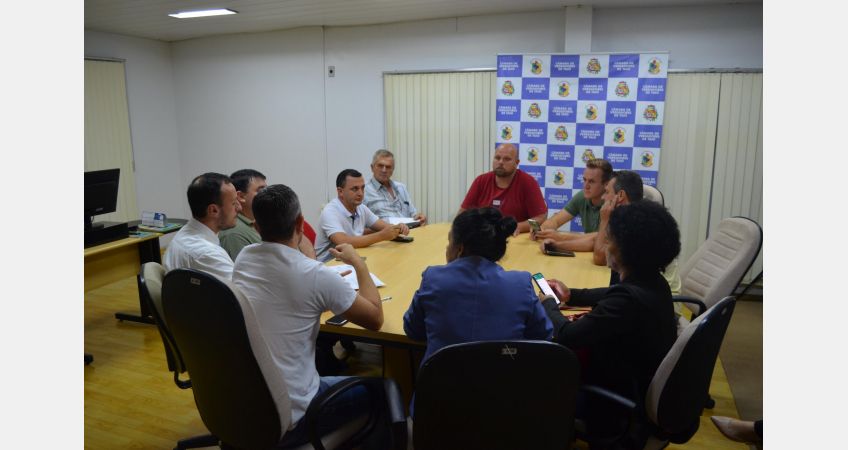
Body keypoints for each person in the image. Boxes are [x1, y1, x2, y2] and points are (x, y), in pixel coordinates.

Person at [232, 184, 385, 447]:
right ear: (301, 222)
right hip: (293, 415)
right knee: (385, 391)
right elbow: (375, 319)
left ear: (255, 227)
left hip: (248, 405)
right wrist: (358, 262)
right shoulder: (315, 274)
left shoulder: (244, 258)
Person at [539, 200, 680, 444]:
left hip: (613, 401)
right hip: (636, 383)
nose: (604, 244)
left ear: (626, 250)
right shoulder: (653, 282)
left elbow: (566, 336)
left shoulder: (626, 302)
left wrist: (547, 304)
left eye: (609, 239)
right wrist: (572, 294)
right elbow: (612, 293)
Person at [404, 207, 553, 364]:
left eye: (449, 242)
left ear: (460, 249)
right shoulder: (521, 284)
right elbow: (543, 335)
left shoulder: (433, 278)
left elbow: (413, 330)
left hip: (440, 385)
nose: (447, 248)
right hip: (505, 385)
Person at [314, 169, 409, 262]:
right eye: (355, 189)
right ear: (340, 192)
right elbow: (343, 242)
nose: (360, 193)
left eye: (362, 188)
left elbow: (384, 227)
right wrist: (382, 236)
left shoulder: (361, 208)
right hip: (329, 266)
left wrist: (398, 228)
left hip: (352, 260)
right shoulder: (330, 212)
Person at [220, 169, 316, 260]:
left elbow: (299, 236)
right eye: (261, 190)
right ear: (241, 196)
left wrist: (312, 264)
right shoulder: (234, 233)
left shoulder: (269, 216)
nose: (267, 194)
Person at [163, 172, 241, 281]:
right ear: (213, 210)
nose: (239, 208)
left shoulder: (186, 232)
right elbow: (241, 293)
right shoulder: (207, 254)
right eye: (233, 203)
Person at [459, 143, 547, 234]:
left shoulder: (528, 182)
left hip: (515, 238)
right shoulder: (480, 181)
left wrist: (518, 227)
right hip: (483, 238)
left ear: (516, 163)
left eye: (507, 159)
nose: (500, 162)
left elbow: (540, 218)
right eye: (497, 158)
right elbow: (462, 213)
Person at [533, 158, 613, 251]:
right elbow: (556, 220)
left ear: (606, 184)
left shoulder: (614, 203)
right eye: (584, 180)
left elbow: (599, 237)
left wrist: (561, 237)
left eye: (591, 181)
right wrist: (543, 230)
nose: (586, 186)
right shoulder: (582, 196)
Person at [364, 149, 427, 224]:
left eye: (388, 167)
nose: (384, 170)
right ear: (372, 167)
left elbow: (413, 214)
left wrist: (419, 217)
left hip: (410, 231)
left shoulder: (401, 187)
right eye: (380, 166)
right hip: (386, 234)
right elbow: (360, 226)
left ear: (393, 170)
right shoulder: (364, 190)